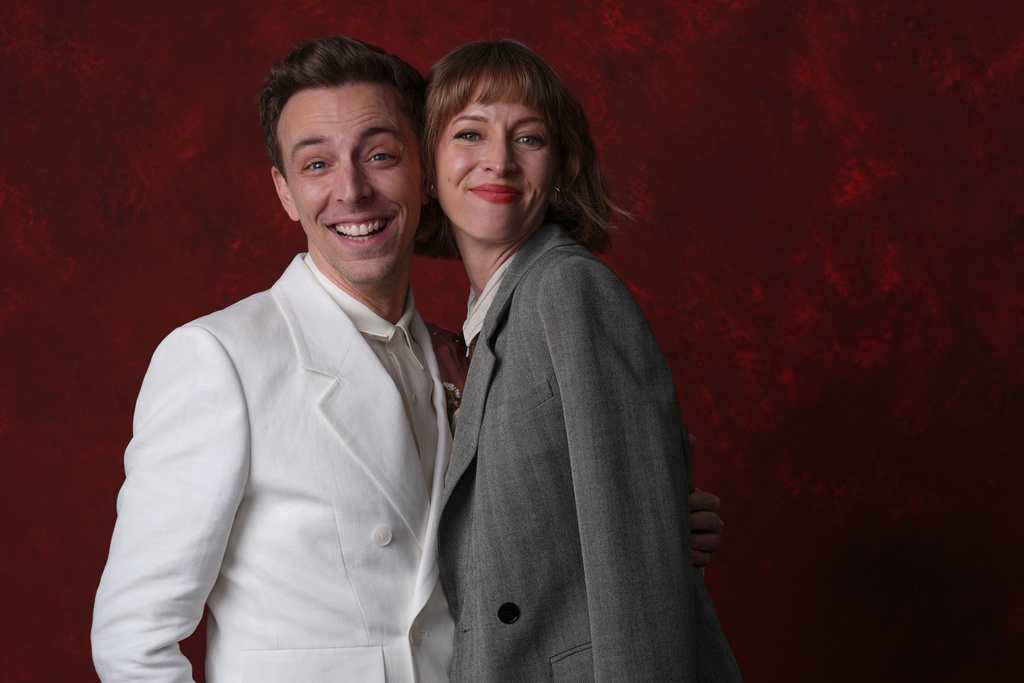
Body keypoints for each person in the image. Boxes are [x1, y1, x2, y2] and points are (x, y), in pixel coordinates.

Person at [91, 35, 726, 682]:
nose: (352, 190)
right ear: (284, 191)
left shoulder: (467, 355)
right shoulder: (218, 358)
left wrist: (652, 519)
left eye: (381, 155)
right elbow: (133, 640)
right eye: (316, 165)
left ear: (424, 169)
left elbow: (518, 539)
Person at [418, 40, 742, 680]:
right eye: (470, 133)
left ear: (561, 167)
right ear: (428, 167)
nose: (499, 161)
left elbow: (636, 556)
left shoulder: (567, 290)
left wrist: (662, 519)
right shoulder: (485, 319)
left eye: (529, 138)